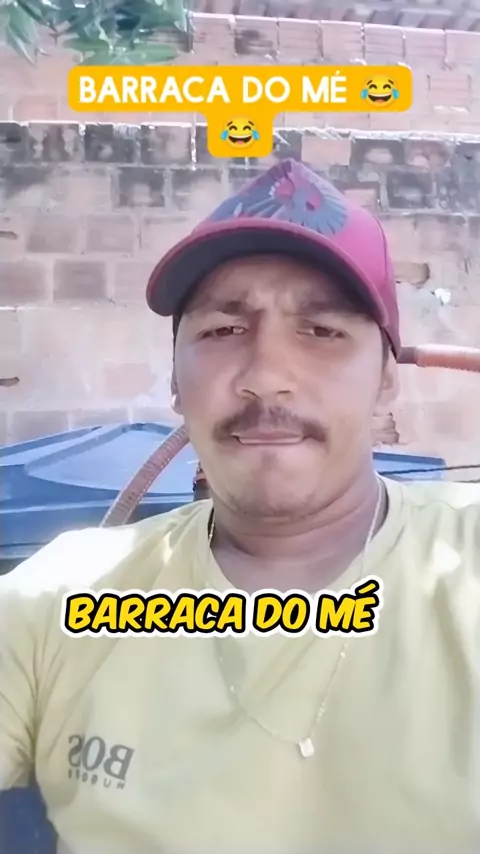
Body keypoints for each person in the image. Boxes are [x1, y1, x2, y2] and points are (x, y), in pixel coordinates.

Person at [1, 157, 480, 854]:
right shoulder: (59, 597)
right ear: (175, 379)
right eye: (224, 331)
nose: (266, 377)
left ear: (386, 379)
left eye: (322, 331)